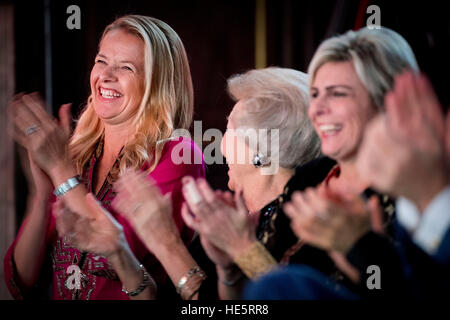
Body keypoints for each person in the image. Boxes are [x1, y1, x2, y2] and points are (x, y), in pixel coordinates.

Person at [4, 15, 204, 300]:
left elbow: (113, 257)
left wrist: (60, 171)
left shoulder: (176, 154)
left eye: (126, 67)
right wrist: (41, 196)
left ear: (156, 84)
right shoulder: (78, 150)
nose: (106, 76)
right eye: (101, 61)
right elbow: (20, 281)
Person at [107, 67, 325, 299]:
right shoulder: (232, 215)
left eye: (230, 129)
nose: (220, 143)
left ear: (260, 151)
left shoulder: (301, 230)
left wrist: (166, 241)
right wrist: (117, 251)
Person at [238, 26, 422, 299]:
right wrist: (231, 264)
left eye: (337, 94)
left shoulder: (410, 191)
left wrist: (240, 247)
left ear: (385, 100)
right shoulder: (309, 176)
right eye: (314, 94)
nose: (318, 109)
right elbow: (257, 289)